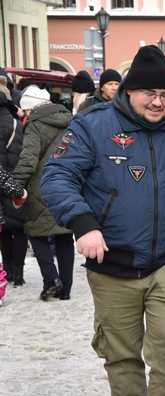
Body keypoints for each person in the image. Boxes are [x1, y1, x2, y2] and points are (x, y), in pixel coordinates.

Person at [41, 45, 165, 396]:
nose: (159, 103)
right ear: (129, 91)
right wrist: (83, 223)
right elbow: (56, 178)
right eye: (150, 94)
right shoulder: (93, 126)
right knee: (120, 353)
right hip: (112, 264)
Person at [13, 85, 75, 301]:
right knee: (65, 235)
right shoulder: (69, 119)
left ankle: (51, 279)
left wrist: (16, 184)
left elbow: (28, 160)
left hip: (42, 187)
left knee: (37, 232)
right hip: (69, 184)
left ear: (31, 108)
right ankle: (65, 289)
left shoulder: (35, 125)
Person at [0, 90, 28, 286]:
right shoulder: (17, 124)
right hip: (15, 180)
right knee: (18, 229)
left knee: (2, 230)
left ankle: (7, 269)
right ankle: (18, 273)